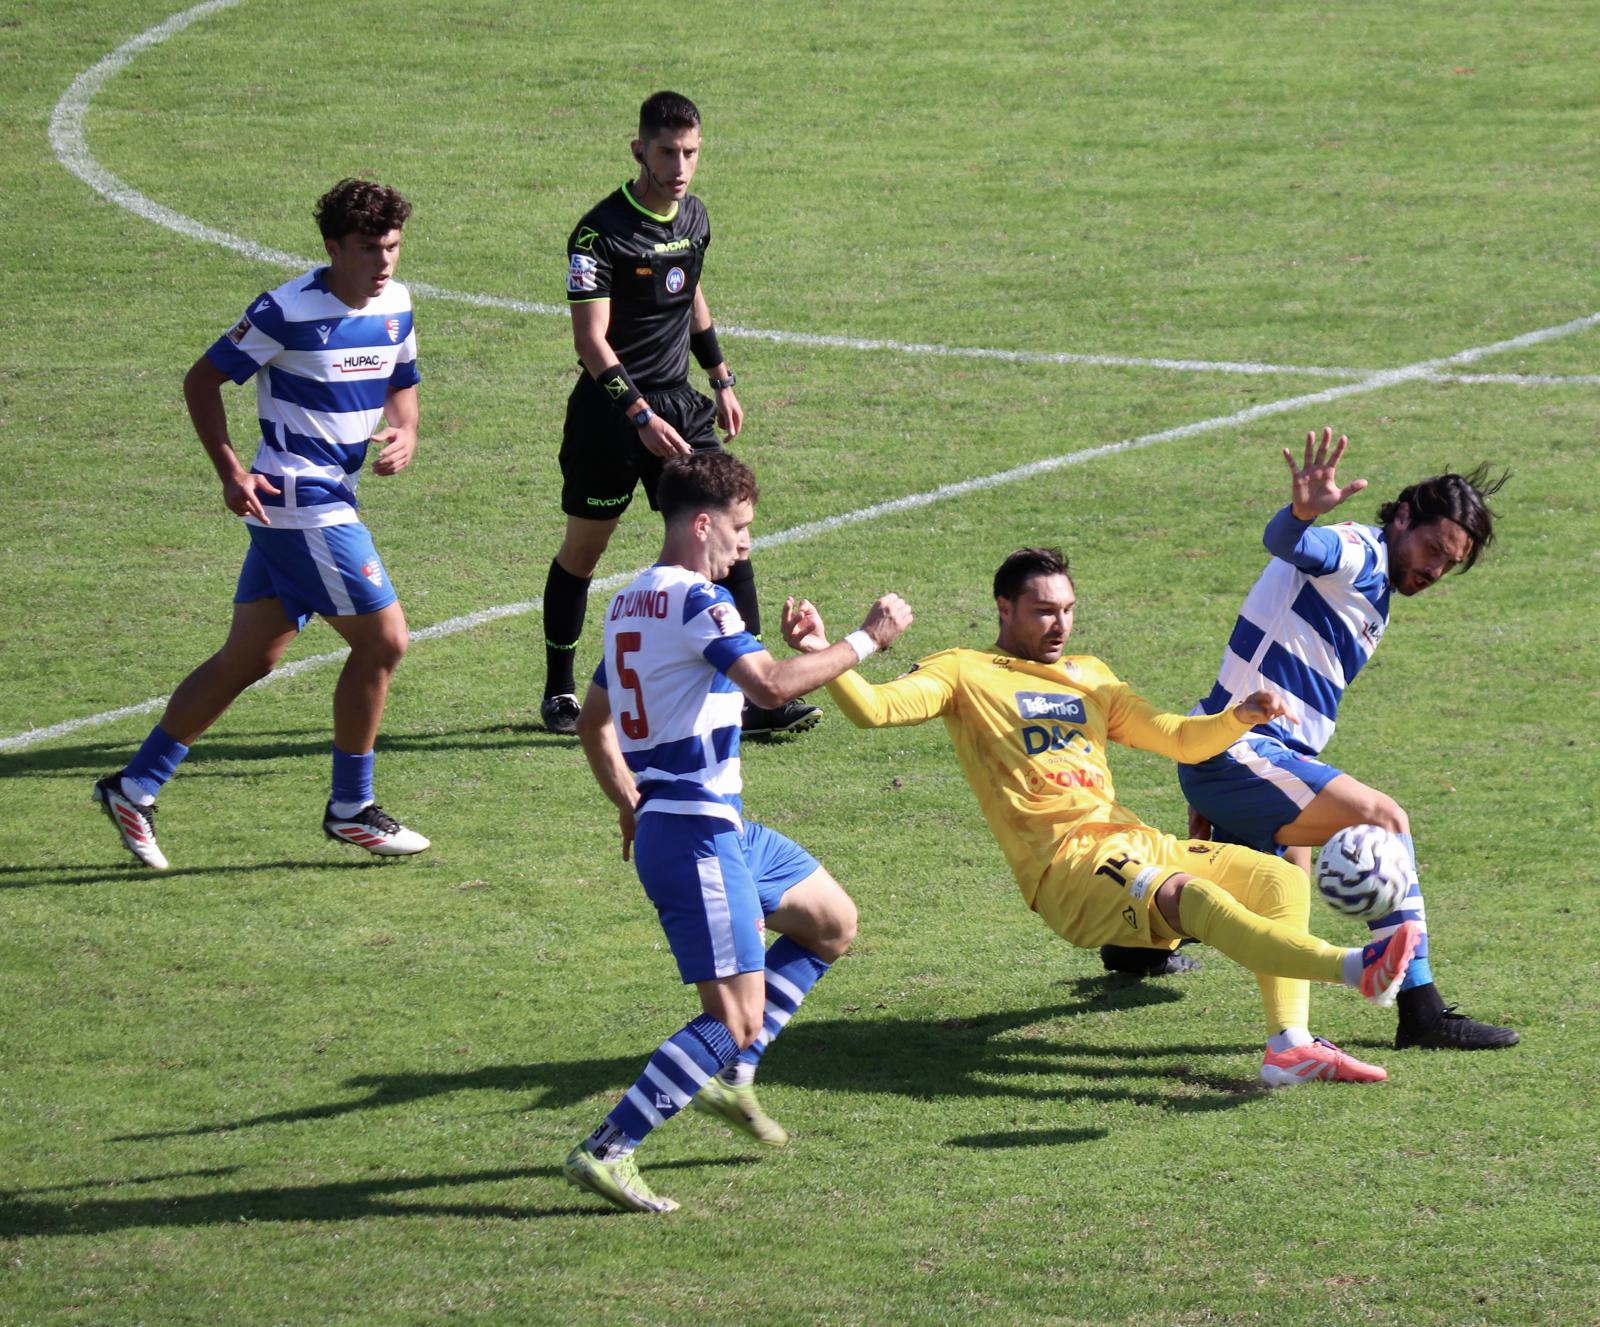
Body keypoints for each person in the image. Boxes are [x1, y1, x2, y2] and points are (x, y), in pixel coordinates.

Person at [783, 546, 1423, 1088]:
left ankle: (1290, 1046)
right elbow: (871, 710)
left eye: (1066, 609)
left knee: (1276, 878)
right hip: (1065, 867)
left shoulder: (1090, 676)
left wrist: (1237, 720)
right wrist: (834, 649)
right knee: (1190, 897)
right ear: (1003, 610)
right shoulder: (964, 672)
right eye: (1042, 612)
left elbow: (1177, 737)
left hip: (1130, 841)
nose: (1058, 624)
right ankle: (1354, 967)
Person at [562, 452, 911, 1213]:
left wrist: (629, 800)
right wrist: (868, 638)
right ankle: (610, 1146)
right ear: (701, 523)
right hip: (696, 839)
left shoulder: (628, 601)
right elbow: (771, 687)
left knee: (832, 923)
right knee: (737, 1016)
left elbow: (594, 722)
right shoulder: (696, 600)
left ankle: (732, 1074)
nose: (746, 543)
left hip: (711, 825)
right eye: (741, 527)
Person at [1104, 430, 1516, 1051]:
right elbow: (1288, 543)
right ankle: (1421, 1011)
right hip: (1240, 754)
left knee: (1276, 884)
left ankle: (1136, 946)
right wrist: (1301, 513)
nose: (1433, 569)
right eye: (1431, 548)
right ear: (1402, 517)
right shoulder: (1359, 553)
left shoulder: (1379, 586)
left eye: (1447, 563)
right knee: (1383, 819)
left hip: (1242, 755)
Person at [92, 179, 429, 868]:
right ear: (333, 247)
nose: (385, 262)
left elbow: (403, 379)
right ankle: (351, 808)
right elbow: (201, 381)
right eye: (369, 249)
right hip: (299, 502)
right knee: (384, 641)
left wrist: (406, 431)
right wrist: (229, 472)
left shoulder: (395, 303)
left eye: (392, 247)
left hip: (333, 495)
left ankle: (135, 785)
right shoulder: (284, 310)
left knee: (251, 656)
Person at [540, 90, 818, 741]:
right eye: (668, 152)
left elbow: (689, 288)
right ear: (640, 150)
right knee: (586, 550)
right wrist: (637, 414)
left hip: (680, 405)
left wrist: (719, 374)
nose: (680, 164)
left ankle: (754, 697)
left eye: (691, 151)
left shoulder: (694, 216)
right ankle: (559, 688)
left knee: (731, 534)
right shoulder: (598, 231)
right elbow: (591, 340)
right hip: (611, 415)